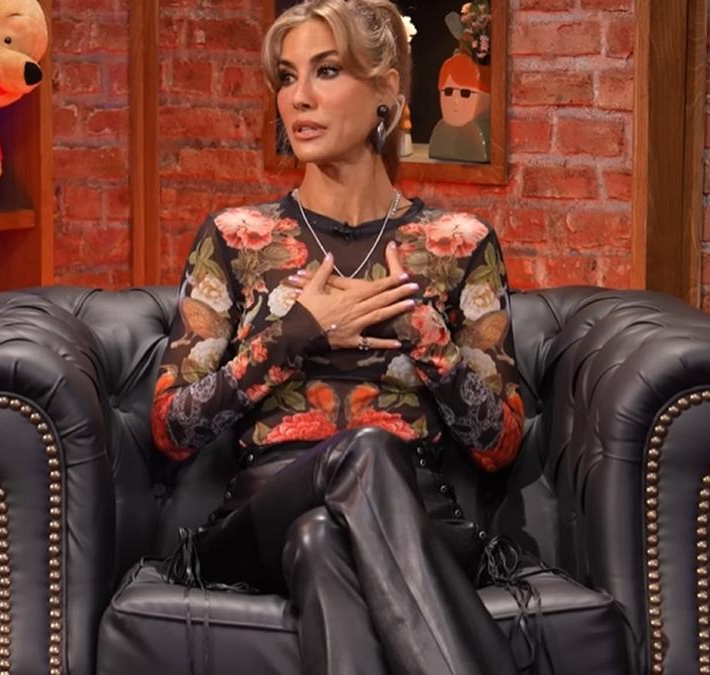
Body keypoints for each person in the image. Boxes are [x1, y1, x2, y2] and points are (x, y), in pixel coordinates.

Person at [150, 1, 525, 673]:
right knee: (364, 454)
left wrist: (424, 337)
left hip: (415, 520)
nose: (299, 97)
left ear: (386, 91)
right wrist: (295, 333)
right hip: (261, 509)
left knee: (321, 539)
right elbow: (172, 428)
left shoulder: (458, 243)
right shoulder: (237, 238)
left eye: (326, 71)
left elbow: (498, 444)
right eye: (287, 76)